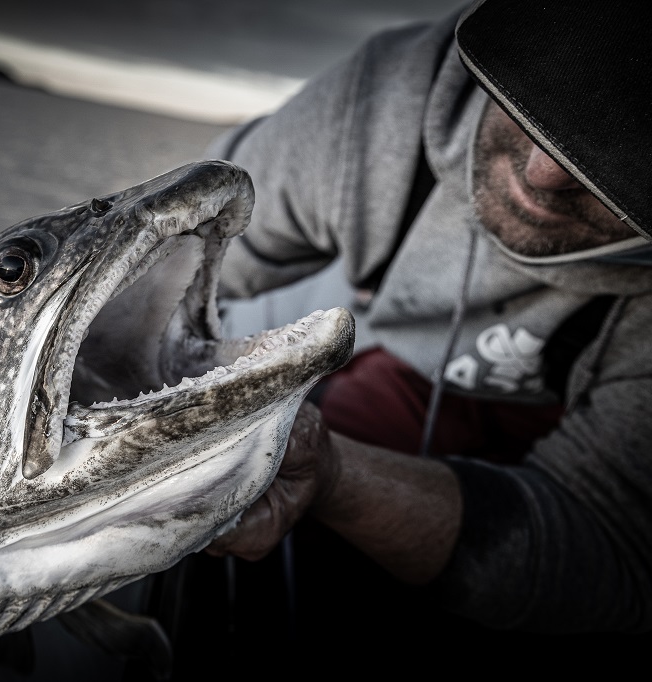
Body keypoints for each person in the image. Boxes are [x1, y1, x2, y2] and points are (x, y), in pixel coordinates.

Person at [195, 0, 652, 643]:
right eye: (533, 93)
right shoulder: (381, 103)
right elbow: (174, 260)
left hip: (575, 428)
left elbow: (609, 560)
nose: (542, 173)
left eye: (626, 149)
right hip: (405, 378)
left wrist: (337, 477)